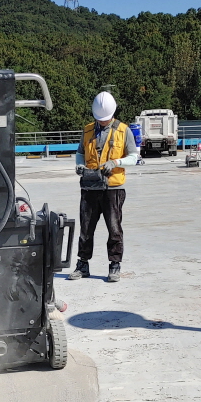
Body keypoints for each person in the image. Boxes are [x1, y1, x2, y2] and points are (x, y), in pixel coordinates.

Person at [68, 91, 138, 283]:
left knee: (114, 228)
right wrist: (80, 165)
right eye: (100, 119)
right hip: (90, 186)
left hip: (113, 189)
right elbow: (80, 153)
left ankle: (114, 265)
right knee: (86, 228)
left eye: (105, 119)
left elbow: (134, 157)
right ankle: (83, 264)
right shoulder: (88, 129)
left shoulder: (124, 130)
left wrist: (115, 163)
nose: (103, 122)